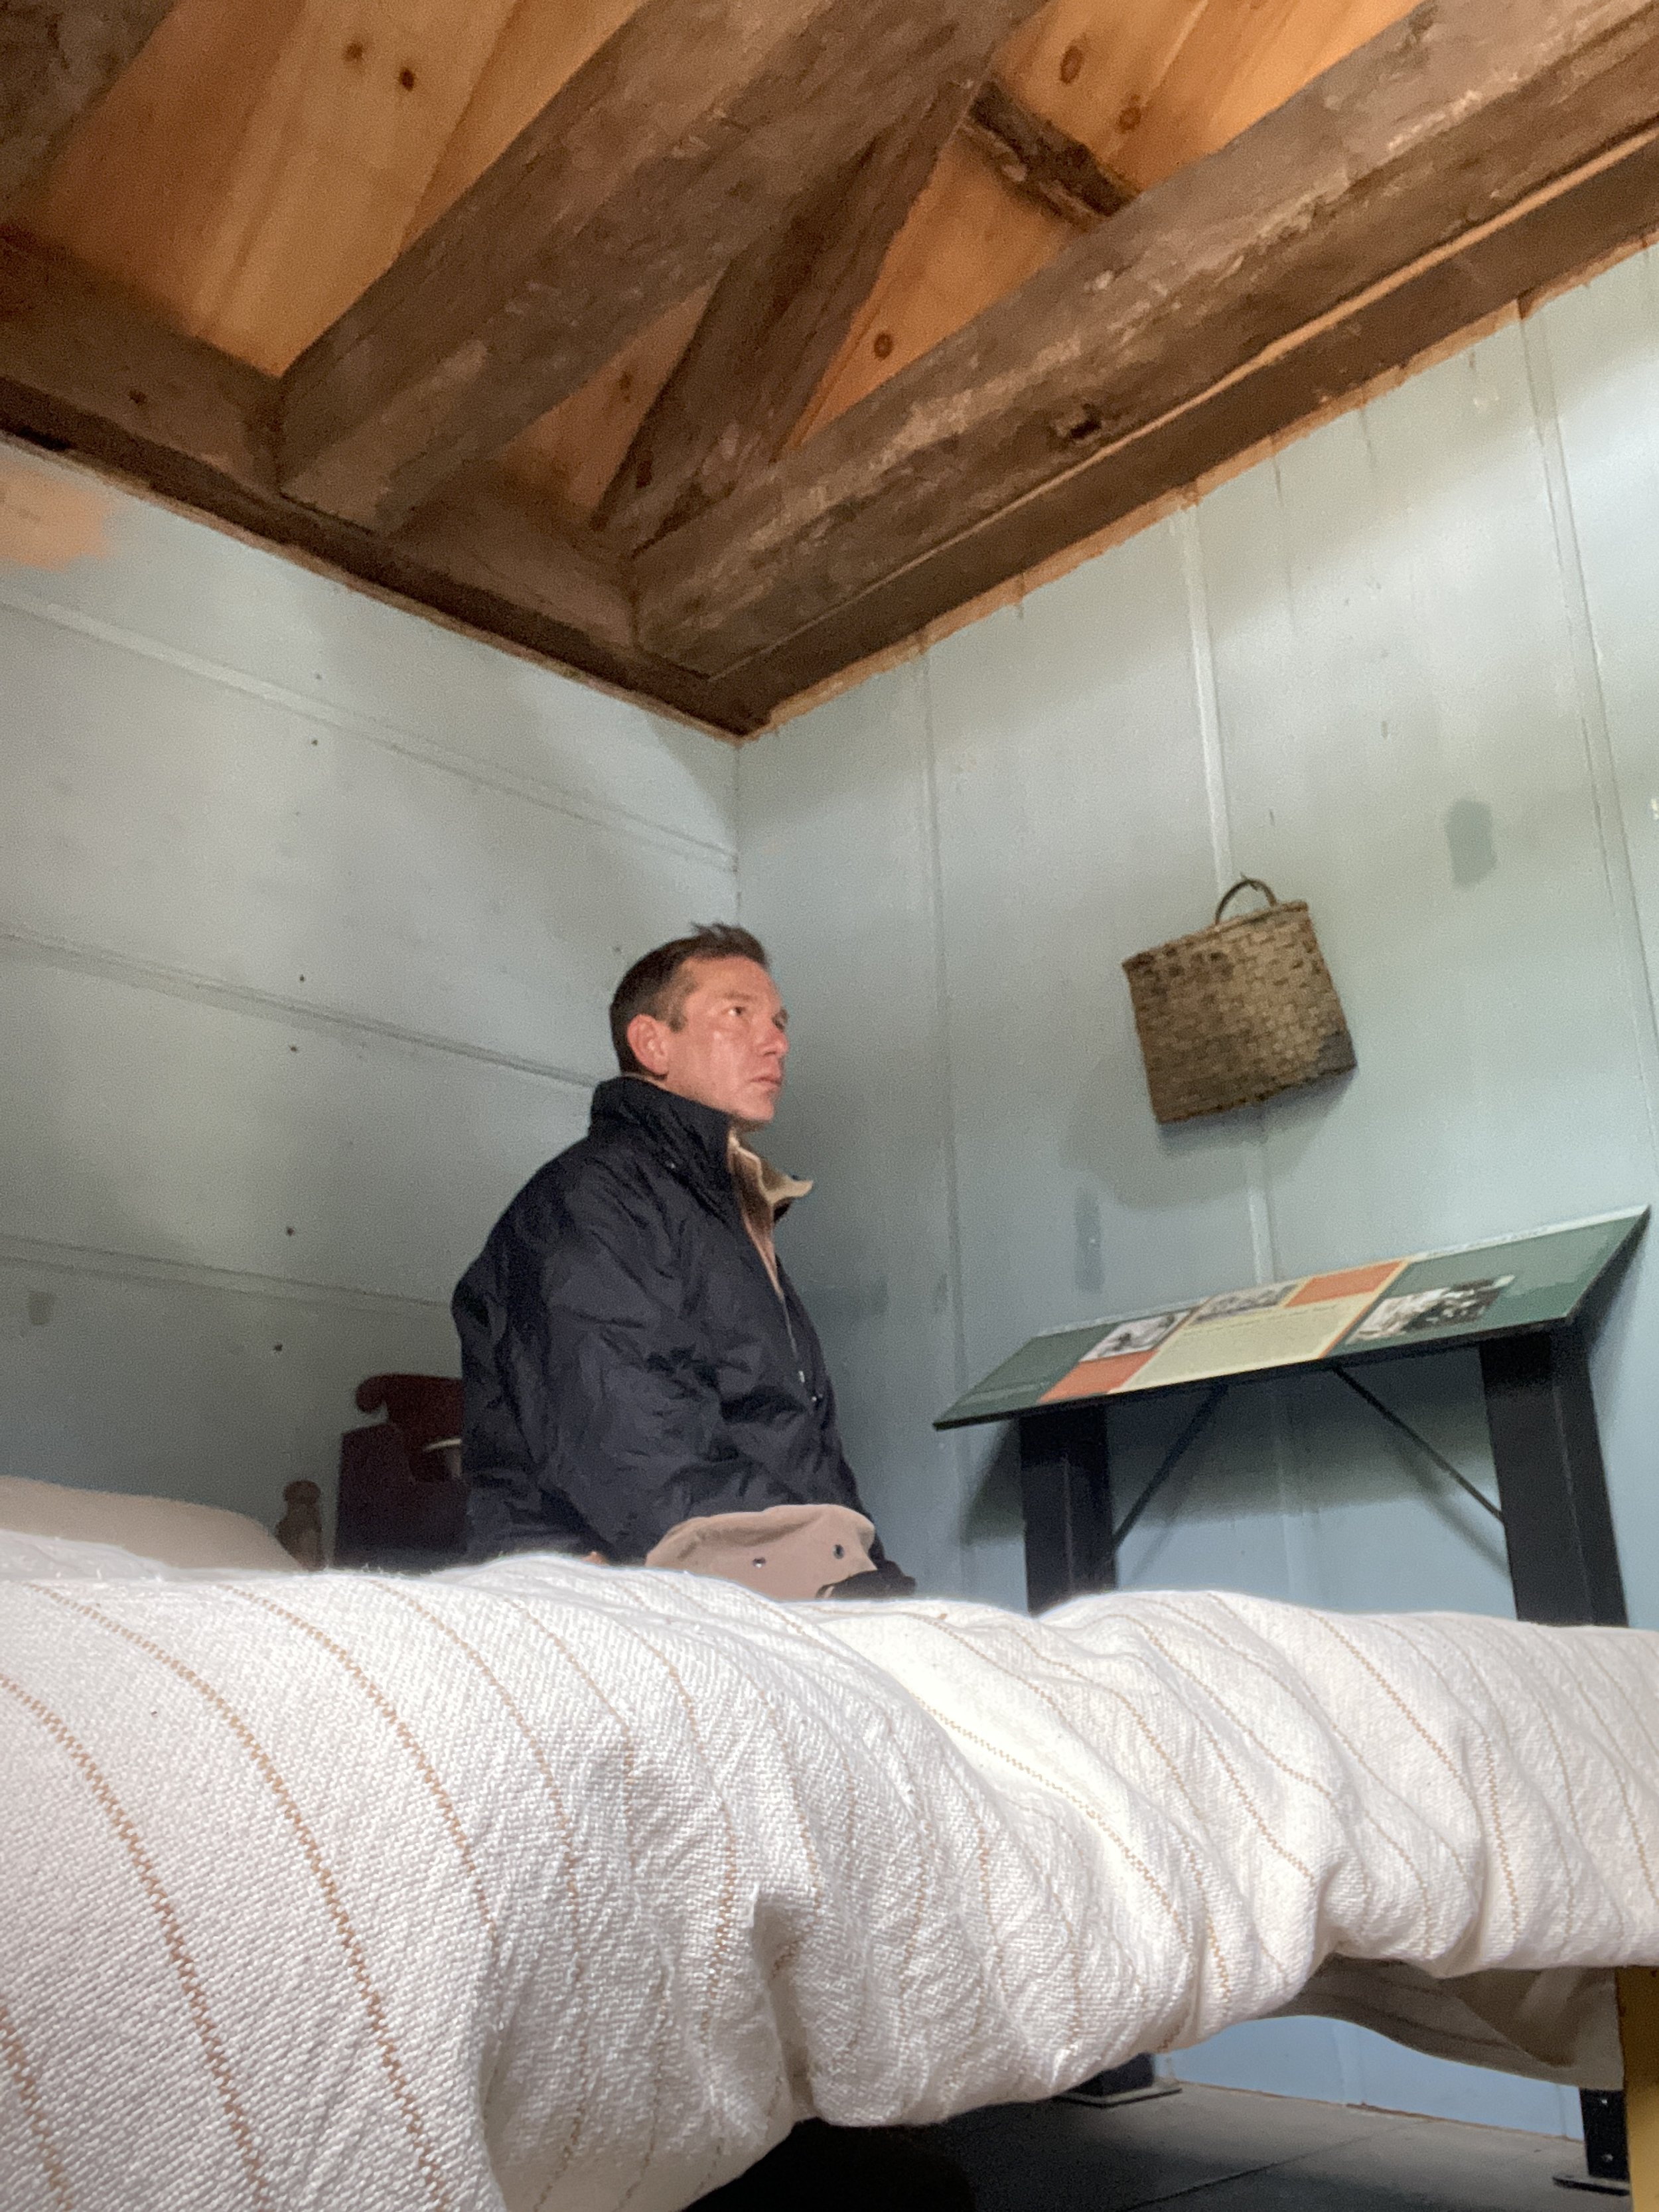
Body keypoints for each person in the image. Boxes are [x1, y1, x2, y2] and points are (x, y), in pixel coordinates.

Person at [453, 923, 910, 1591]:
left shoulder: (720, 1210)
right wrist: (839, 1587)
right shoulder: (589, 1203)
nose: (775, 1041)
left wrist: (872, 1575)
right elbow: (636, 1453)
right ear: (652, 1042)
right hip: (629, 1579)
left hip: (758, 1572)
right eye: (738, 1014)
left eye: (780, 1022)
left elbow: (794, 1451)